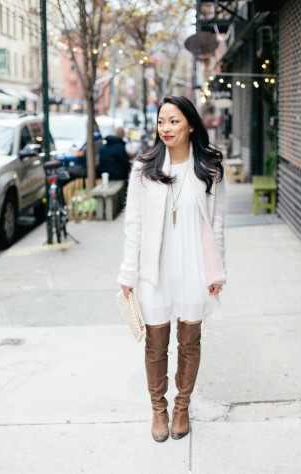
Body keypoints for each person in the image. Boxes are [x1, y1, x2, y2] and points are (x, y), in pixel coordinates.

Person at [118, 96, 226, 443]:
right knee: (155, 343)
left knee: (190, 341)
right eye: (162, 122)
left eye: (174, 121)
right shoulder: (144, 169)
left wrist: (216, 271)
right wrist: (127, 273)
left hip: (194, 264)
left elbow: (218, 223)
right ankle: (158, 410)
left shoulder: (210, 169)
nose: (166, 128)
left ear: (191, 125)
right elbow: (133, 223)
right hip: (156, 266)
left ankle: (182, 406)